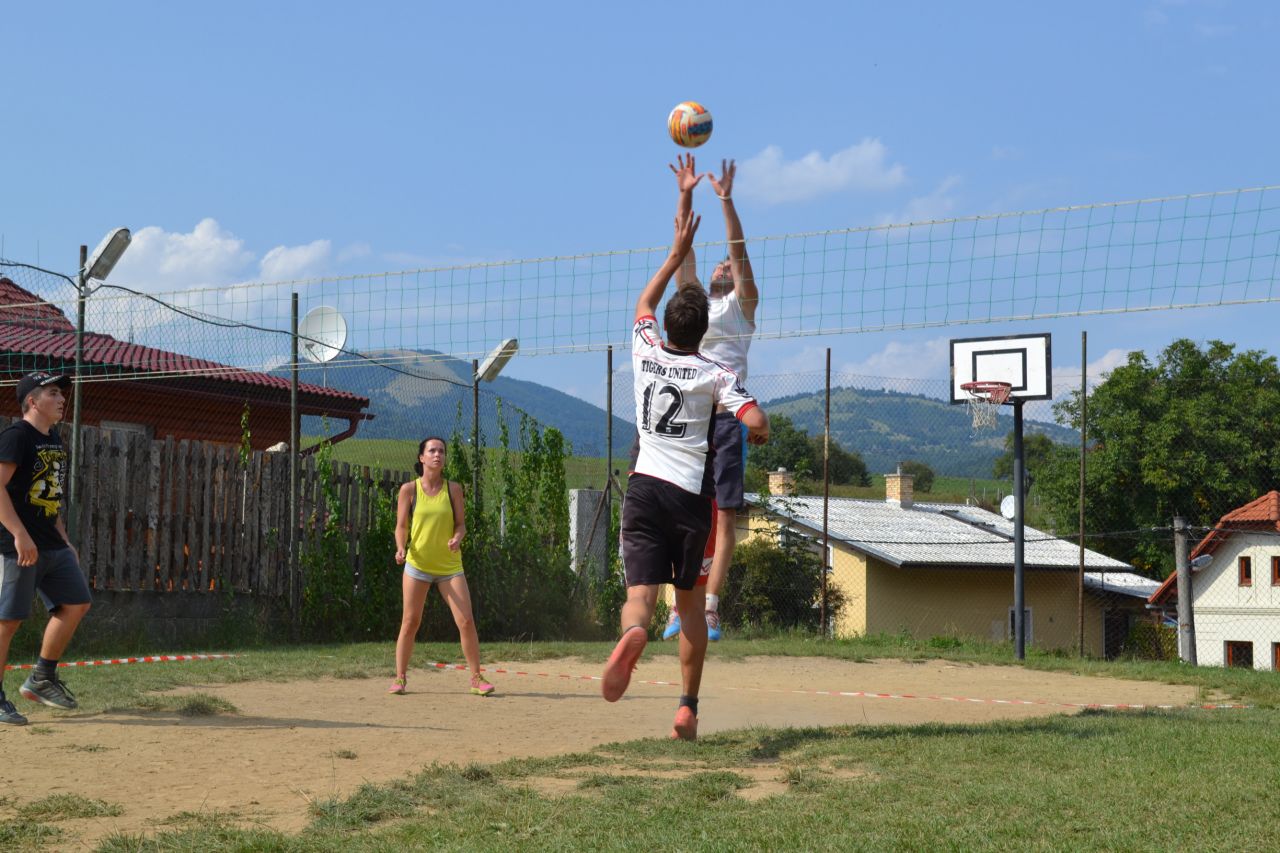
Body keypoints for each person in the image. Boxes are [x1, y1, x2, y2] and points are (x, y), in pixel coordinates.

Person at [602, 205, 769, 741]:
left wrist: (674, 254)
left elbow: (643, 304)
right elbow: (755, 419)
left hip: (642, 487)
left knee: (640, 595)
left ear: (668, 325)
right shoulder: (715, 371)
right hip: (689, 500)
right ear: (703, 332)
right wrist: (759, 429)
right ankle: (687, 708)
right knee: (690, 604)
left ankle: (633, 632)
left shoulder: (645, 349)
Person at [662, 154, 759, 643]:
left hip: (725, 416)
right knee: (675, 510)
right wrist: (685, 194)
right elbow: (684, 252)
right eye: (717, 263)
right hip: (690, 416)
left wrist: (725, 201)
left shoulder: (743, 306)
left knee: (725, 516)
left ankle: (712, 609)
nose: (722, 264)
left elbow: (738, 250)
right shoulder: (694, 304)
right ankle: (675, 608)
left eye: (727, 265)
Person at [0, 372, 92, 726]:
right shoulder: (16, 436)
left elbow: (48, 494)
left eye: (61, 393)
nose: (62, 399)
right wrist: (20, 534)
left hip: (51, 542)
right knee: (8, 621)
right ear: (32, 401)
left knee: (76, 602)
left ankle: (41, 678)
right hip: (16, 545)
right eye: (53, 393)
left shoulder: (53, 438)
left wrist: (63, 538)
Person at [390, 436, 494, 697]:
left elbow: (461, 525)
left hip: (449, 567)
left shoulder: (454, 489)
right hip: (417, 565)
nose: (438, 455)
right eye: (432, 451)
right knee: (410, 622)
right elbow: (401, 526)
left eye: (442, 451)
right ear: (421, 458)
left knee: (466, 621)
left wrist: (457, 538)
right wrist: (401, 547)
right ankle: (400, 678)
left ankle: (476, 678)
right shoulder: (409, 490)